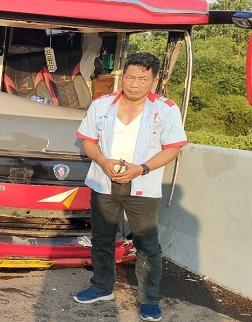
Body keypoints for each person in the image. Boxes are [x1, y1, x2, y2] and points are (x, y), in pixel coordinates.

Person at [72, 53, 188, 322]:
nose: (135, 84)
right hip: (104, 183)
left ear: (154, 80)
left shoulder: (166, 109)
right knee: (102, 237)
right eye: (131, 77)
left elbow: (172, 149)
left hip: (143, 187)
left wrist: (141, 168)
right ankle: (101, 287)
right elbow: (88, 141)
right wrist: (103, 160)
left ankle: (149, 300)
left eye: (143, 79)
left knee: (147, 244)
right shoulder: (102, 105)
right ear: (122, 76)